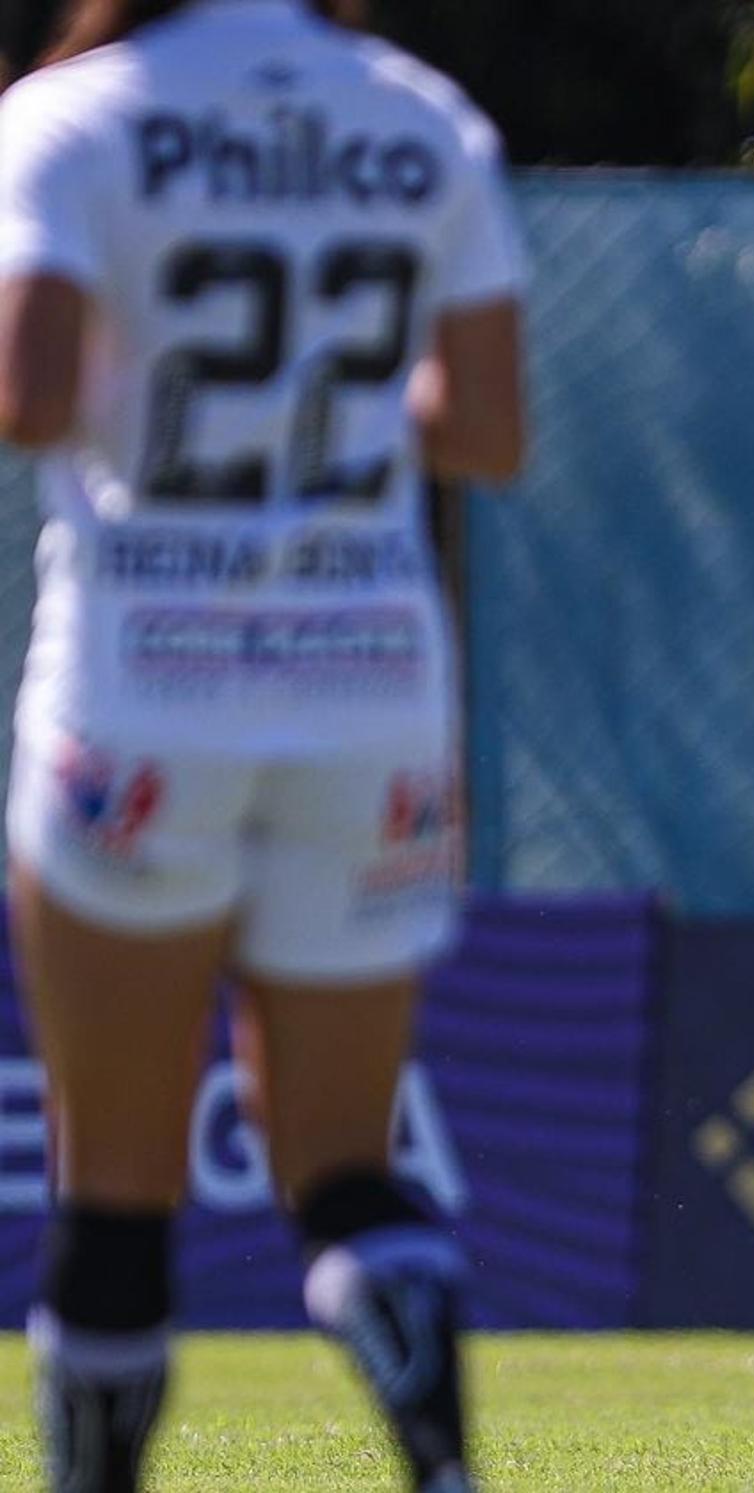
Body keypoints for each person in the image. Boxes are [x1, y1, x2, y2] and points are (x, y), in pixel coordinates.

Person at [0, 1, 525, 1488]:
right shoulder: (418, 114)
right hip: (369, 680)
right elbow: (486, 430)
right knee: (345, 1167)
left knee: (114, 1188)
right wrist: (335, 415)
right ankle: (439, 1460)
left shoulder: (68, 114)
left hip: (143, 684)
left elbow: (31, 396)